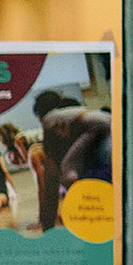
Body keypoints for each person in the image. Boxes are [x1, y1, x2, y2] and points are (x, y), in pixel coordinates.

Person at [32, 83, 113, 233]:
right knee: (74, 169)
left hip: (100, 127)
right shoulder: (68, 115)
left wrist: (47, 229)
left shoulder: (49, 119)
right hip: (110, 124)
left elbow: (51, 178)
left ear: (40, 114)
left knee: (67, 171)